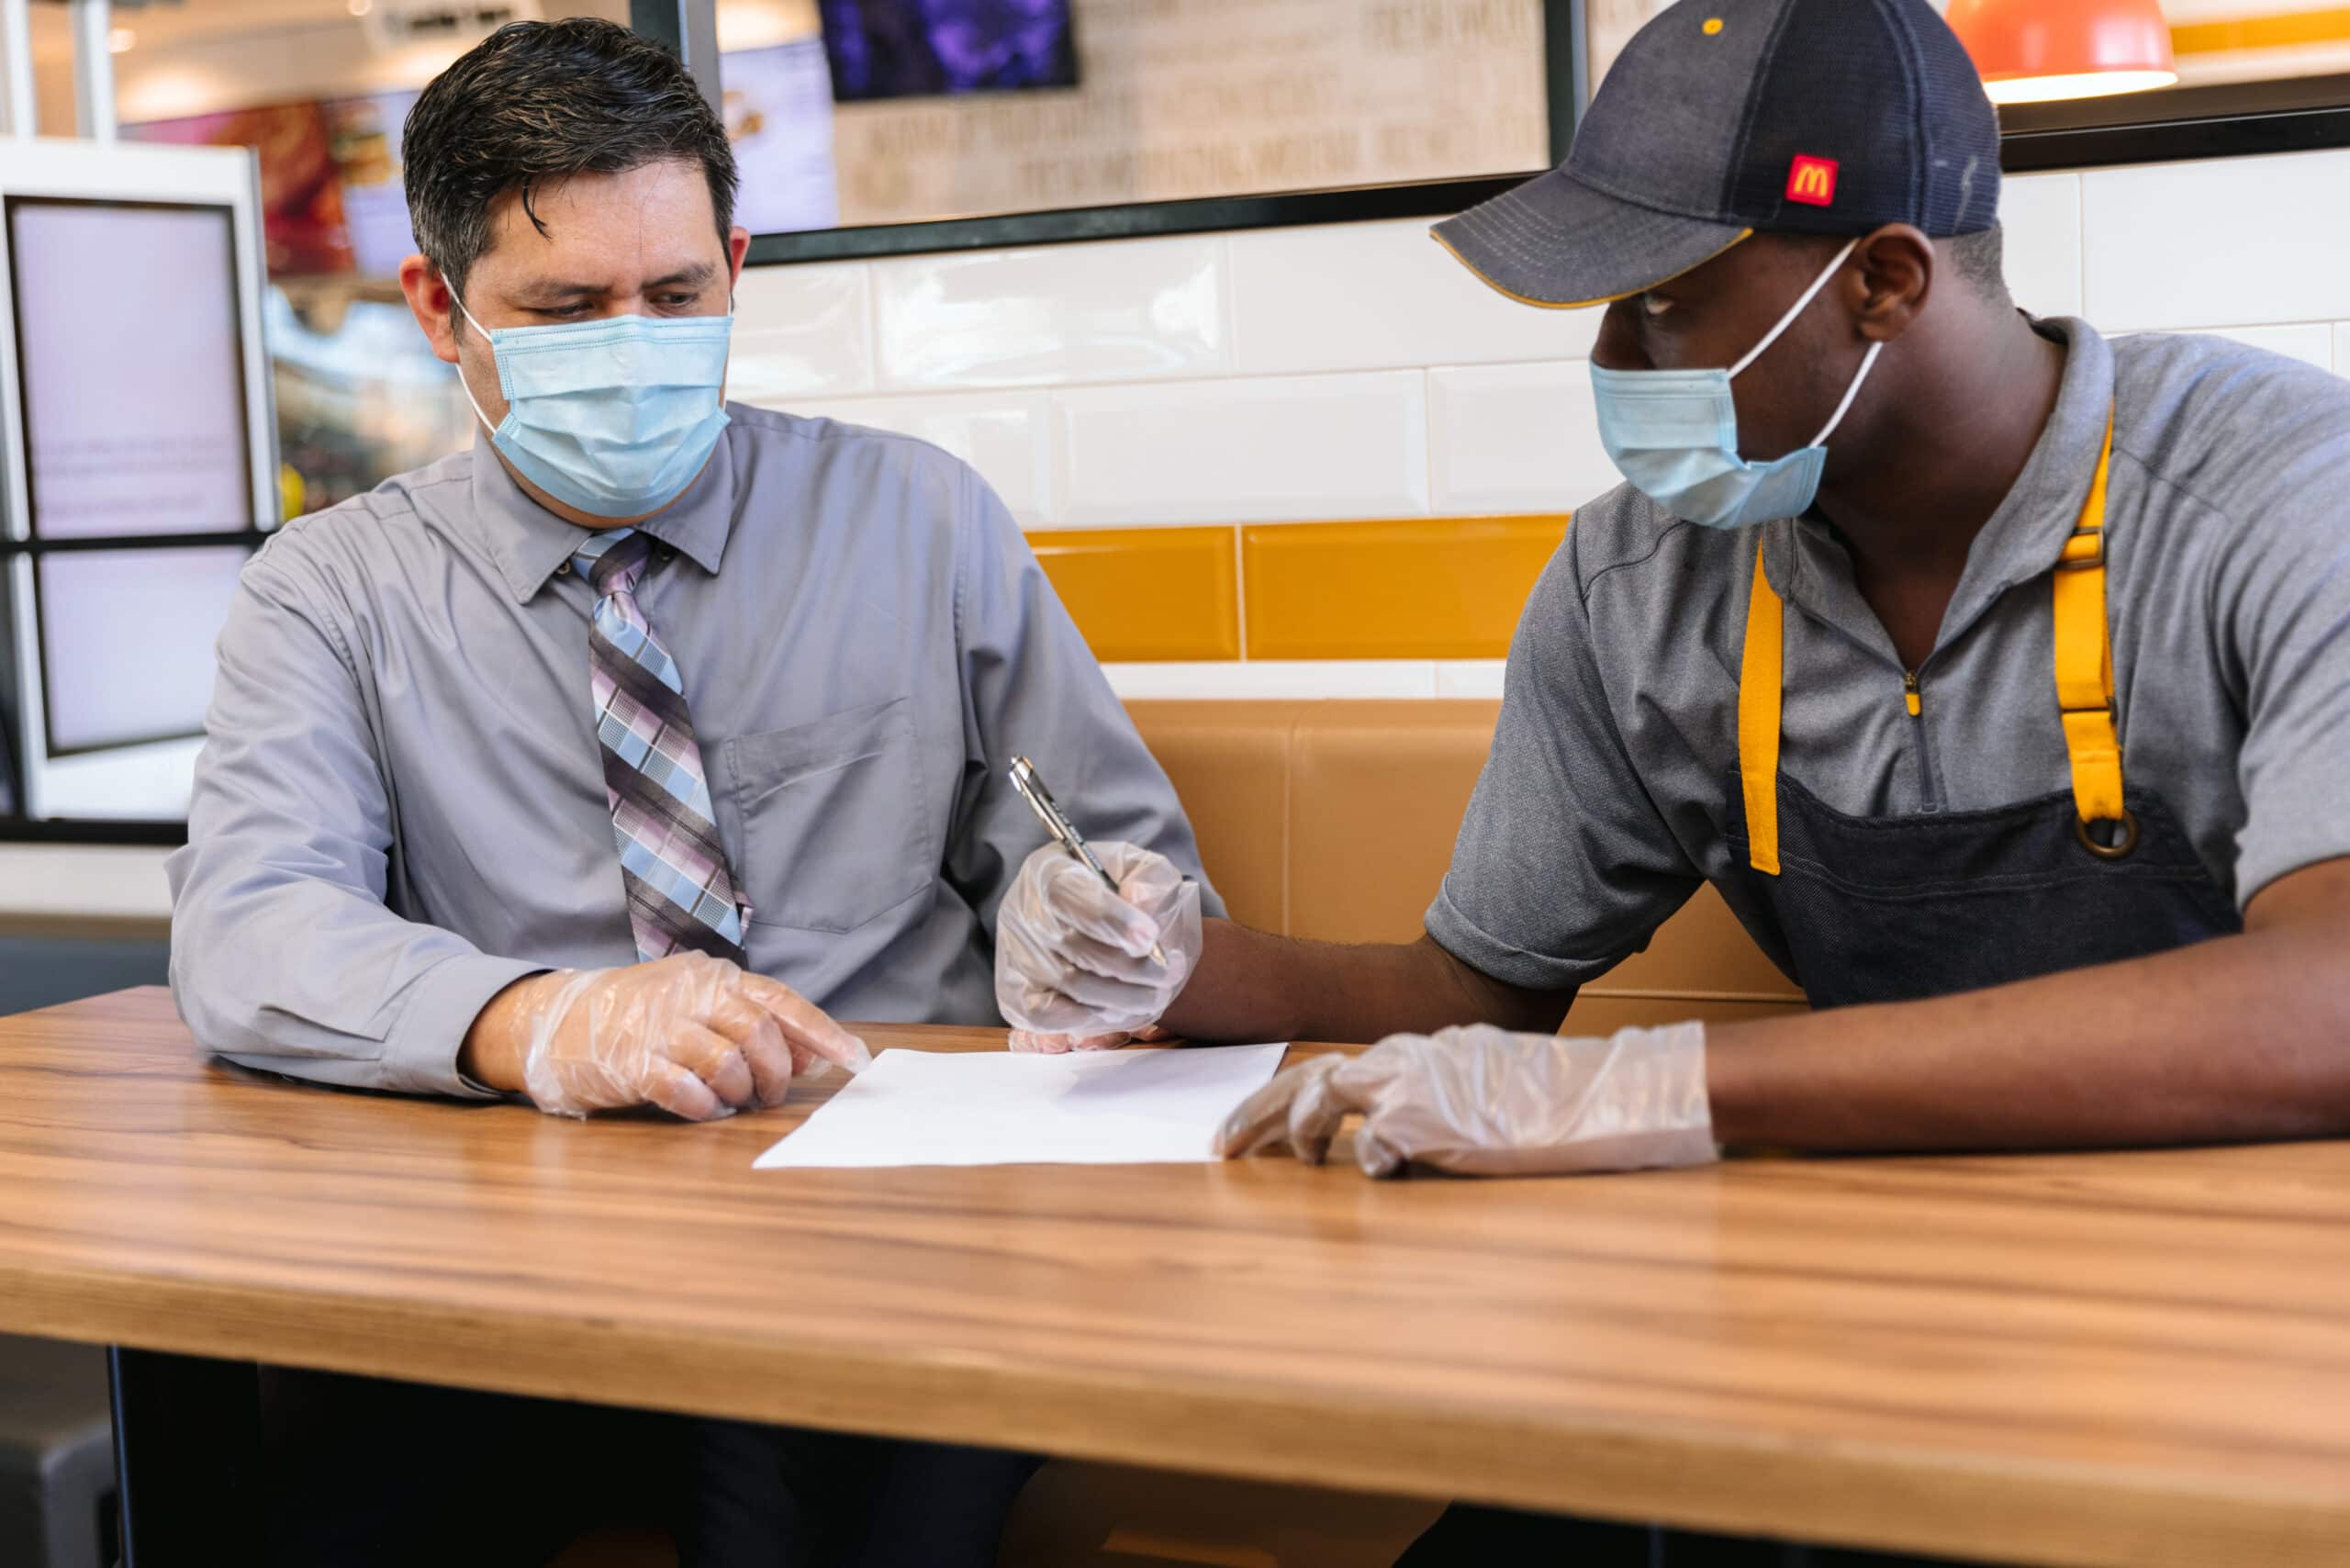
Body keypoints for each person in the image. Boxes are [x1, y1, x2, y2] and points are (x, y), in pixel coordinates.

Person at [998, 0, 2349, 1555]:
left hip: (2260, 1313)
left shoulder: (2276, 497)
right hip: (1875, 1291)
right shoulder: (1638, 582)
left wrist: (1654, 1087)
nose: (1610, 359)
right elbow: (1474, 991)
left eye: (1659, 307)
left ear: (1885, 282)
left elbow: (2328, 1002)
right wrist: (1173, 962)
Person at [165, 18, 1217, 1564]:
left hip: (905, 1232)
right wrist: (545, 1020)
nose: (635, 343)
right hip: (540, 1243)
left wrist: (1100, 925)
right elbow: (250, 927)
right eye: (566, 308)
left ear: (735, 264)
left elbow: (1106, 850)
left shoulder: (917, 518)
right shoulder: (331, 591)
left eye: (674, 296)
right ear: (437, 311)